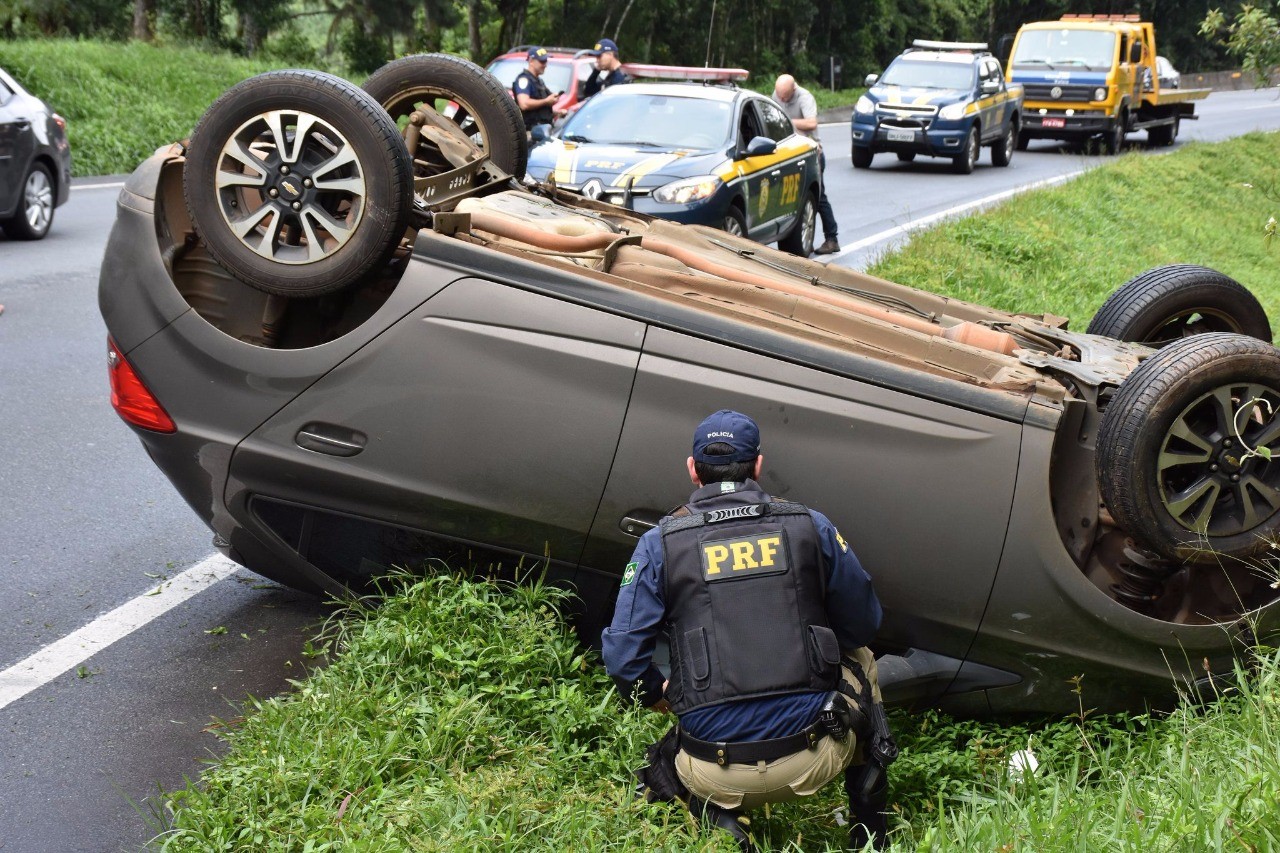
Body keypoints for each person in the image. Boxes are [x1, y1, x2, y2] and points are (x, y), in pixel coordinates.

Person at [602, 410, 893, 851]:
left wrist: (656, 693)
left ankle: (717, 816)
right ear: (757, 465)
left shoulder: (659, 543)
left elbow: (623, 658)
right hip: (815, 757)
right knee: (863, 658)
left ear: (692, 469)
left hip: (711, 770)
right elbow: (864, 624)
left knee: (671, 756)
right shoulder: (809, 525)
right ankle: (870, 830)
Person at [773, 74, 840, 256]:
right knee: (796, 199)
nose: (782, 100)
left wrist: (786, 120)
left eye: (785, 97)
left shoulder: (805, 97)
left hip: (811, 153)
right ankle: (804, 240)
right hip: (789, 153)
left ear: (793, 89)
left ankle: (832, 238)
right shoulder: (777, 96)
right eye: (779, 97)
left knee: (818, 197)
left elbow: (811, 122)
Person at [512, 47, 565, 136]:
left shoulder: (539, 81)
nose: (545, 65)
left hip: (544, 130)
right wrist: (546, 101)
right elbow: (524, 104)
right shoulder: (524, 80)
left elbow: (540, 111)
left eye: (546, 61)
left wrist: (557, 112)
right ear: (531, 61)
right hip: (531, 133)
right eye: (542, 61)